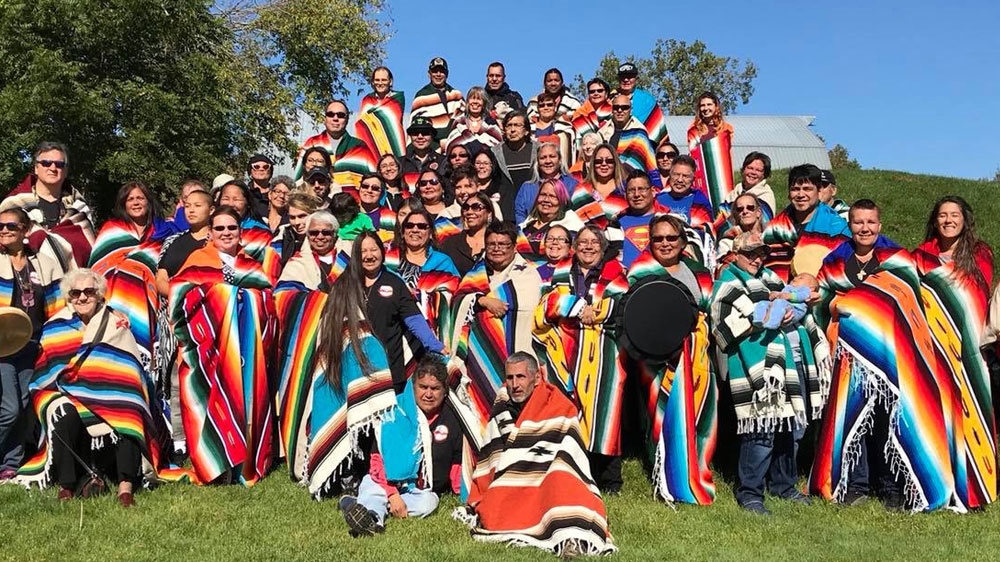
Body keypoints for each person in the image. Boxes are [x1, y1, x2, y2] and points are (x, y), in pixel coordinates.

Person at [17, 268, 166, 507]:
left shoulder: (116, 323)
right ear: (69, 296)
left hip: (109, 391)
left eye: (89, 291)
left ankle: (125, 487)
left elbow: (128, 371)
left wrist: (105, 391)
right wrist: (71, 388)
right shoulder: (56, 326)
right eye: (76, 293)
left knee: (127, 405)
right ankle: (67, 485)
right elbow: (46, 373)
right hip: (66, 392)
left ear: (99, 294)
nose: (82, 297)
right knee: (62, 411)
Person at [711, 232, 830, 515]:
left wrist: (800, 306)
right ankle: (750, 492)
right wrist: (762, 318)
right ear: (735, 254)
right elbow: (722, 331)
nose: (756, 258)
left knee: (792, 430)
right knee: (761, 430)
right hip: (761, 369)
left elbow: (801, 298)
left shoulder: (771, 278)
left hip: (794, 362)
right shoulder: (727, 285)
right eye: (750, 253)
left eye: (761, 253)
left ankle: (783, 485)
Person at [453, 352, 616, 556]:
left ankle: (571, 540)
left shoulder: (559, 405)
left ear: (537, 378)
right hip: (513, 478)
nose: (515, 384)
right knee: (493, 509)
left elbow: (569, 452)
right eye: (510, 378)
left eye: (521, 377)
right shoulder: (502, 407)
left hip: (550, 470)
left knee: (563, 483)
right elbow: (494, 453)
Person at [808, 199, 908, 508]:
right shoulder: (835, 260)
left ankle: (891, 486)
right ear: (849, 225)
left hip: (886, 350)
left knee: (887, 416)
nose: (864, 228)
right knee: (852, 412)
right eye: (858, 222)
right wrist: (835, 309)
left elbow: (909, 302)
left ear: (880, 225)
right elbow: (821, 299)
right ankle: (855, 483)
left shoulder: (896, 259)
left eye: (870, 222)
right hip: (846, 351)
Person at [169, 206, 277, 485]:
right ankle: (215, 464)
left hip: (244, 352)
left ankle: (242, 462)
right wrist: (221, 296)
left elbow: (267, 300)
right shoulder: (197, 261)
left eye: (232, 228)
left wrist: (245, 299)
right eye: (220, 228)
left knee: (244, 400)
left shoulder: (250, 265)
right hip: (207, 352)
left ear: (240, 232)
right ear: (210, 233)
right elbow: (179, 298)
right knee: (209, 402)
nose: (226, 233)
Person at [623, 214, 717, 505]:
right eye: (658, 238)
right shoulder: (640, 270)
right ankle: (666, 475)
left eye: (671, 238)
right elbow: (632, 311)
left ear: (683, 241)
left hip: (696, 351)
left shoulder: (698, 272)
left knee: (699, 410)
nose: (665, 243)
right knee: (661, 413)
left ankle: (696, 467)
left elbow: (712, 306)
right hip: (656, 356)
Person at [912, 196, 996, 509]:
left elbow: (975, 298)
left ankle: (974, 490)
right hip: (934, 348)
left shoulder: (979, 254)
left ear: (964, 220)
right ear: (935, 221)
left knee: (973, 412)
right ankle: (939, 485)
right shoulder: (920, 256)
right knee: (938, 413)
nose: (948, 220)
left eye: (954, 215)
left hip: (970, 350)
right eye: (943, 215)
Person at [533, 226, 629, 493]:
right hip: (565, 350)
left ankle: (609, 480)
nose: (588, 246)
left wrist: (596, 312)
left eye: (594, 242)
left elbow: (623, 305)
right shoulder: (560, 272)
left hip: (604, 352)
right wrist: (575, 307)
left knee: (605, 413)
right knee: (568, 411)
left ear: (603, 247)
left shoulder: (616, 273)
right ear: (574, 247)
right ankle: (571, 473)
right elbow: (547, 304)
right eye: (583, 242)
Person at [297, 244, 396, 496]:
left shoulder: (327, 323)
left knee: (346, 412)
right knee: (363, 416)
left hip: (340, 382)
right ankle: (353, 473)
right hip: (354, 387)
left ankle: (342, 472)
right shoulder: (358, 323)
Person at [450, 222, 542, 458]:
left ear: (514, 247)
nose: (497, 248)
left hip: (515, 354)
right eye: (492, 244)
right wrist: (482, 300)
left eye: (503, 244)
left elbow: (526, 303)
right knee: (480, 410)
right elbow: (458, 301)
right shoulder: (475, 274)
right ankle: (483, 460)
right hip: (477, 359)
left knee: (517, 414)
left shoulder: (527, 274)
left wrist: (482, 300)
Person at [272, 210, 347, 480]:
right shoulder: (297, 264)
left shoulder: (350, 260)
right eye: (314, 232)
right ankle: (306, 457)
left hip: (345, 340)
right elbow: (283, 298)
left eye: (326, 232)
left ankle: (343, 457)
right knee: (309, 401)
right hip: (309, 345)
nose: (319, 237)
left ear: (335, 235)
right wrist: (321, 302)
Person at [337, 357, 448, 537]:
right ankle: (371, 519)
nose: (428, 394)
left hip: (412, 488)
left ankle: (356, 504)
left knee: (430, 501)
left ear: (444, 391)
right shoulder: (392, 413)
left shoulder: (448, 417)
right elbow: (376, 463)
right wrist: (392, 494)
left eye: (435, 389)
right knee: (374, 491)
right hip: (382, 481)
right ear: (413, 387)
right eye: (423, 387)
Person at [0, 207, 65, 480]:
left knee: (25, 406)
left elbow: (57, 307)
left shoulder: (44, 263)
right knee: (10, 408)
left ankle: (10, 463)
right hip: (2, 348)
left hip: (31, 345)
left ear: (25, 230)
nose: (4, 230)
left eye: (11, 226)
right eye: (0, 226)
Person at [155, 189, 215, 461]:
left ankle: (210, 437)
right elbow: (161, 278)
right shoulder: (174, 242)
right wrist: (181, 298)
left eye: (197, 205)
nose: (191, 210)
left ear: (210, 210)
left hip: (210, 320)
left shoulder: (218, 239)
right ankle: (180, 441)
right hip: (176, 321)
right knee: (177, 380)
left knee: (208, 379)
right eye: (187, 205)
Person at [354, 231, 448, 393]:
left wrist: (433, 344)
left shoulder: (395, 283)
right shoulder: (345, 284)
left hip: (389, 366)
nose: (369, 256)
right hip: (354, 368)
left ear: (382, 252)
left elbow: (413, 318)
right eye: (363, 251)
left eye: (374, 250)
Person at [1, 141, 95, 270]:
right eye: (46, 163)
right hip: (23, 277)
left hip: (72, 280)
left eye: (59, 164)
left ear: (66, 171)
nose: (53, 168)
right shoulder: (13, 206)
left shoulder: (79, 209)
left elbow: (88, 250)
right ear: (36, 168)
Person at [385, 206, 461, 356]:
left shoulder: (443, 262)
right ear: (403, 231)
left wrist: (418, 296)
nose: (415, 230)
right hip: (390, 331)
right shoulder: (387, 257)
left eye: (421, 226)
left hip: (429, 336)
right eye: (409, 225)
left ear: (430, 233)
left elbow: (453, 297)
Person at [762, 164, 850, 282]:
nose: (800, 195)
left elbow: (843, 268)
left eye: (807, 189)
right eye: (795, 189)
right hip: (777, 288)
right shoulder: (776, 228)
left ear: (819, 191)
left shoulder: (836, 227)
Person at [293, 99, 378, 190]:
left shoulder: (359, 147)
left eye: (341, 115)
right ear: (325, 118)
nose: (335, 118)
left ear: (347, 120)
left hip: (350, 199)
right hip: (315, 198)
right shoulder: (312, 143)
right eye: (330, 114)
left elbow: (374, 181)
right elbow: (299, 180)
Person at [214, 180, 282, 281]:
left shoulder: (261, 234)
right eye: (226, 199)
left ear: (247, 203)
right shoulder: (210, 229)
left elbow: (270, 269)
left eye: (236, 199)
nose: (231, 204)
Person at [610, 169, 668, 267]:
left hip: (660, 275)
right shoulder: (615, 223)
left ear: (653, 191)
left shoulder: (669, 220)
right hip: (624, 275)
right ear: (625, 195)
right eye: (631, 190)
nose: (637, 194)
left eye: (642, 189)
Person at [687, 92, 735, 211]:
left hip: (721, 174)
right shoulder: (693, 130)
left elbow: (727, 154)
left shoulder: (726, 129)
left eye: (709, 104)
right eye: (702, 105)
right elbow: (693, 153)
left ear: (716, 106)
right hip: (702, 174)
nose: (706, 108)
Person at [518, 179, 585, 264]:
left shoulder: (569, 224)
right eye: (543, 195)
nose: (546, 200)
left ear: (561, 200)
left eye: (552, 196)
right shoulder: (527, 224)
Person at [512, 142, 578, 225]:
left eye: (552, 156)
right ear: (537, 162)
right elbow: (520, 215)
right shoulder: (527, 188)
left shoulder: (573, 185)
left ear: (560, 160)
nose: (548, 161)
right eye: (543, 158)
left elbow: (578, 215)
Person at [597, 94, 657, 178]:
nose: (620, 110)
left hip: (632, 180)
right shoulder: (603, 132)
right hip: (606, 179)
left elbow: (641, 161)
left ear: (630, 110)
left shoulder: (639, 133)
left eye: (624, 107)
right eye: (616, 107)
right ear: (612, 110)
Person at [411, 57, 465, 148]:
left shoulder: (456, 95)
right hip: (431, 147)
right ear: (429, 74)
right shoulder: (421, 96)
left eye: (442, 71)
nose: (438, 74)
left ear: (447, 74)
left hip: (456, 146)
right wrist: (438, 145)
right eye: (435, 71)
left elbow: (464, 120)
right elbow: (415, 128)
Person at [354, 66, 406, 159]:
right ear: (373, 82)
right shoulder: (367, 100)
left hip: (393, 146)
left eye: (384, 80)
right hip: (372, 147)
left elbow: (393, 124)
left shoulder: (397, 99)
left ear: (390, 82)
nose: (380, 83)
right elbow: (362, 124)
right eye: (377, 80)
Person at [571, 143, 628, 228]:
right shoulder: (581, 192)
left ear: (615, 163)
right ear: (593, 164)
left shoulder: (625, 189)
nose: (604, 164)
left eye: (609, 161)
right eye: (599, 161)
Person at [440, 192, 496, 277]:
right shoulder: (450, 243)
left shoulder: (498, 241)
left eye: (476, 207)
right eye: (466, 208)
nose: (469, 212)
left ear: (489, 213)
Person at [613, 62, 669, 146]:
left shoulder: (647, 100)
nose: (626, 80)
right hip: (613, 145)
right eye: (623, 77)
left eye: (630, 77)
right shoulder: (610, 98)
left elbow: (657, 131)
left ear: (636, 79)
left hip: (641, 146)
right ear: (618, 79)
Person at [655, 155, 714, 231]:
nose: (680, 180)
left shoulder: (700, 204)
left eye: (685, 176)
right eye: (676, 174)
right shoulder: (657, 200)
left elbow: (705, 232)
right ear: (669, 175)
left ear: (693, 179)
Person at [490, 111, 537, 206]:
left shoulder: (538, 150)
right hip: (506, 206)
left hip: (532, 204)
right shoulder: (495, 152)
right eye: (509, 126)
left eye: (517, 125)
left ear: (526, 131)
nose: (512, 130)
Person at [719, 152, 777, 224]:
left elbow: (763, 223)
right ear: (743, 170)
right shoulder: (734, 193)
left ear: (764, 175)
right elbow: (720, 217)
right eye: (750, 168)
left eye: (758, 170)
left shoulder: (765, 196)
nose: (753, 172)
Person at [716, 193, 767, 271]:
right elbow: (722, 270)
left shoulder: (769, 237)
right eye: (740, 209)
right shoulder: (728, 241)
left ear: (758, 212)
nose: (745, 211)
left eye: (750, 207)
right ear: (736, 215)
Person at [444, 87, 503, 153]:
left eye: (479, 99)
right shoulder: (458, 122)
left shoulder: (491, 123)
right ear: (467, 102)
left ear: (484, 103)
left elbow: (497, 147)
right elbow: (450, 145)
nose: (475, 102)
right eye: (472, 98)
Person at [272, 191, 321, 266]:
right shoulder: (279, 241)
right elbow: (270, 270)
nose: (297, 222)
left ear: (314, 215)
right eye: (292, 217)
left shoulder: (326, 238)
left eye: (302, 216)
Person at [753, 273, 818, 330]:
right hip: (782, 305)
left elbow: (802, 296)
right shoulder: (788, 287)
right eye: (796, 276)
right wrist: (775, 294)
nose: (795, 278)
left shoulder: (805, 290)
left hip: (795, 309)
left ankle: (772, 323)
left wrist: (789, 296)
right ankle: (758, 319)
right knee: (763, 303)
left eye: (801, 278)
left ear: (811, 288)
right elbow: (782, 294)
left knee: (779, 303)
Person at [400, 116, 447, 193]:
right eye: (415, 133)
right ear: (410, 136)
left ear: (432, 136)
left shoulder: (444, 162)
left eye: (425, 133)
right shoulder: (400, 163)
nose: (420, 136)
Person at [530, 91, 575, 167]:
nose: (546, 108)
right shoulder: (529, 129)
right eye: (542, 106)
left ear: (555, 107)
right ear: (537, 109)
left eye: (549, 105)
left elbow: (569, 153)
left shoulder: (565, 128)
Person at [472, 150, 515, 223]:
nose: (481, 166)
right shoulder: (468, 187)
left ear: (492, 166)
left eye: (486, 163)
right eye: (478, 163)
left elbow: (508, 216)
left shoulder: (503, 188)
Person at [570, 78, 612, 150]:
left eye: (600, 91)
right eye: (592, 92)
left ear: (606, 94)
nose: (596, 93)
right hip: (585, 151)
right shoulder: (579, 114)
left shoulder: (614, 111)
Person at [358, 174, 397, 245]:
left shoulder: (391, 218)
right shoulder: (347, 212)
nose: (369, 190)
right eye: (365, 186)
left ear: (382, 194)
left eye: (375, 188)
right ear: (359, 189)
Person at [246, 154, 275, 219]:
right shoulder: (245, 194)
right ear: (250, 172)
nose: (261, 169)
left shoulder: (277, 194)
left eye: (266, 167)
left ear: (270, 172)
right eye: (256, 167)